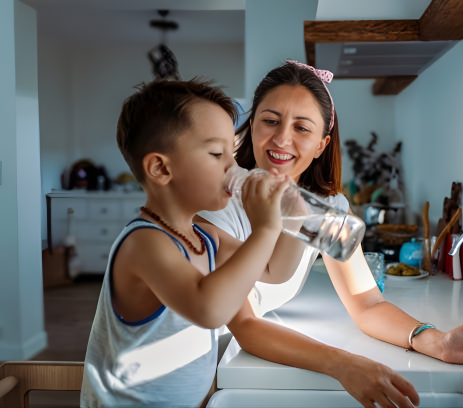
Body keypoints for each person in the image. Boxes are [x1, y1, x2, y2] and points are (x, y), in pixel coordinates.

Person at [197, 61, 463, 408]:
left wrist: (438, 342)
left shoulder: (326, 208)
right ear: (251, 126)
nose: (281, 138)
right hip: (199, 373)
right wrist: (343, 364)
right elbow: (245, 326)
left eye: (301, 127)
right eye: (271, 120)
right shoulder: (217, 205)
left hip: (238, 369)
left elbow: (367, 304)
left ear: (322, 145)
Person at [80, 79, 310, 407]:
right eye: (217, 153)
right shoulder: (144, 243)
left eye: (232, 152)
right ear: (160, 168)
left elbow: (274, 270)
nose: (234, 167)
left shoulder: (206, 238)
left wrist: (293, 220)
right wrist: (265, 229)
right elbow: (209, 310)